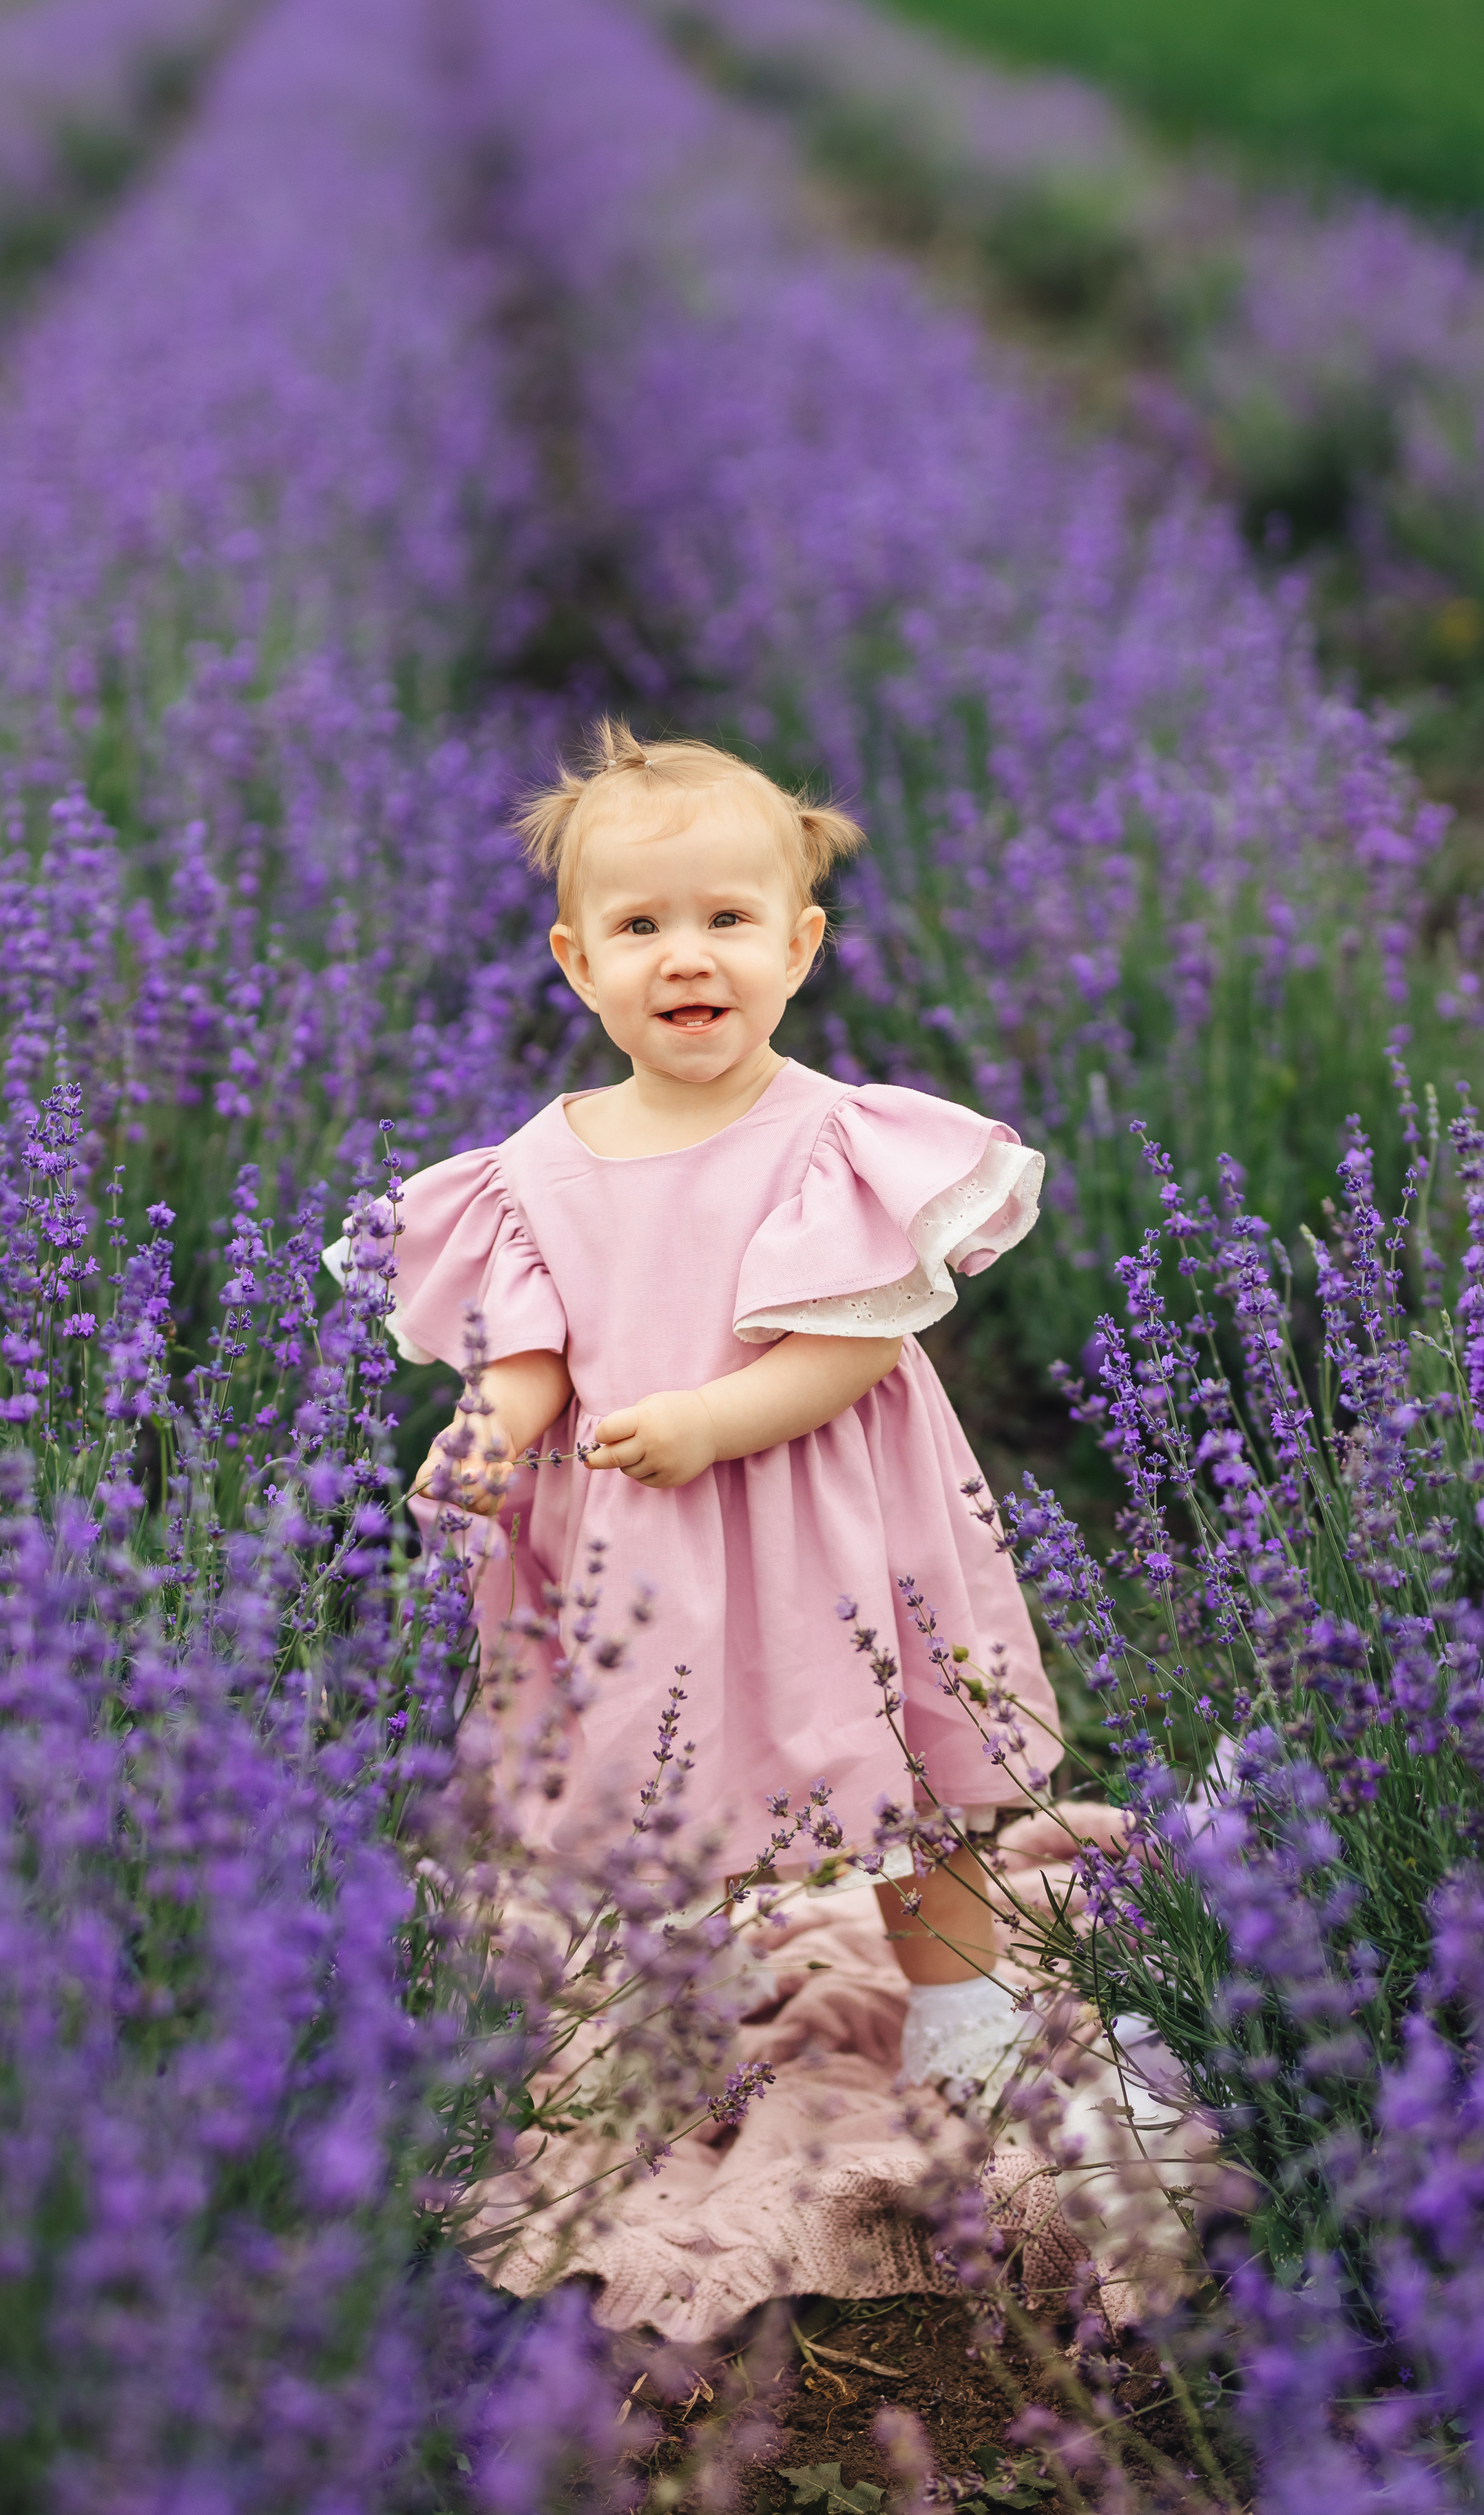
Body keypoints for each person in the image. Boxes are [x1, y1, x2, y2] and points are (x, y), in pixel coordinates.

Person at [326, 720, 1060, 2099]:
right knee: (647, 1772)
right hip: (638, 1543)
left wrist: (713, 1423)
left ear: (799, 945)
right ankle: (682, 2001)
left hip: (835, 1522)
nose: (687, 956)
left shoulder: (837, 1139)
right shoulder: (531, 1170)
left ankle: (962, 2007)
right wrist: (486, 1430)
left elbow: (852, 1346)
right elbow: (530, 1348)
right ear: (576, 963)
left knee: (912, 1761)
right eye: (641, 926)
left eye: (728, 919)